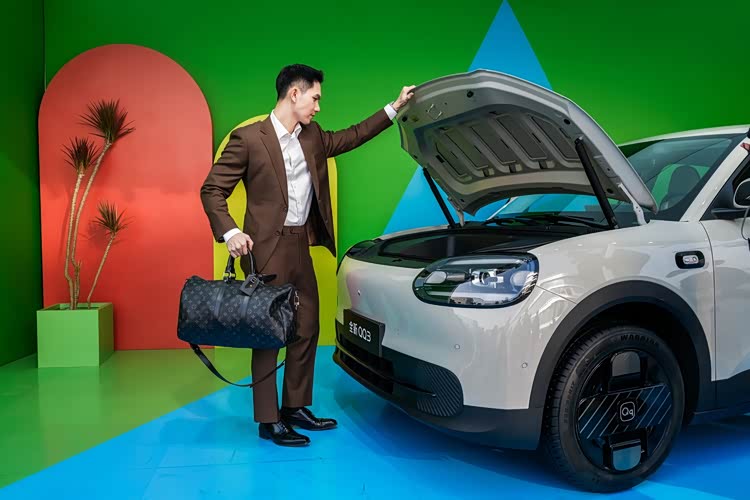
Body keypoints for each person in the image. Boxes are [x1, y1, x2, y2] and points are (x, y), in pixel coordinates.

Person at [200, 64, 415, 446]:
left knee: (307, 326)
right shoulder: (248, 139)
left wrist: (394, 107)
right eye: (315, 98)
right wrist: (230, 231)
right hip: (265, 250)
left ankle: (295, 407)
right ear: (294, 94)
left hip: (301, 245)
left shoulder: (312, 136)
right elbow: (212, 189)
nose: (318, 106)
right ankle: (268, 420)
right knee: (268, 334)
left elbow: (353, 136)